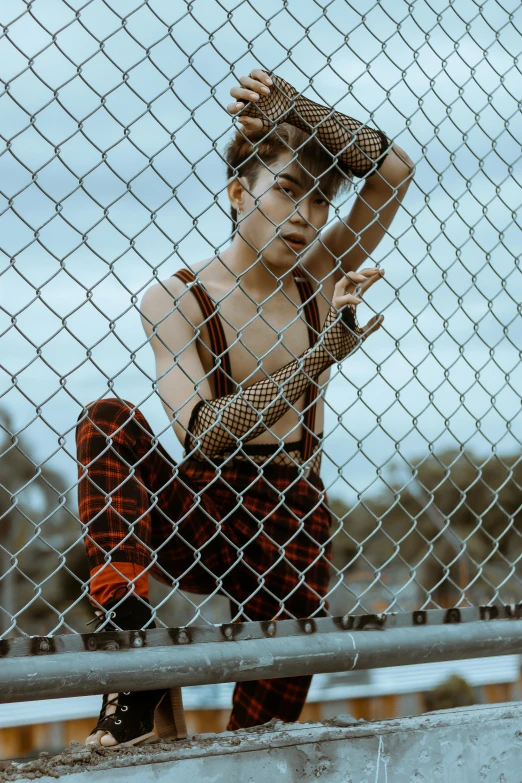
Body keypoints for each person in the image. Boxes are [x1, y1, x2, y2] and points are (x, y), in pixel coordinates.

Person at [76, 68, 414, 747]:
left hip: (292, 514)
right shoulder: (177, 296)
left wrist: (295, 107)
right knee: (107, 419)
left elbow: (394, 173)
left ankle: (181, 727)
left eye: (321, 201)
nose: (306, 217)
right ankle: (130, 649)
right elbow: (201, 432)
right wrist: (321, 356)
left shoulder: (318, 273)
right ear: (239, 192)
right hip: (201, 501)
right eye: (288, 191)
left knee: (257, 745)